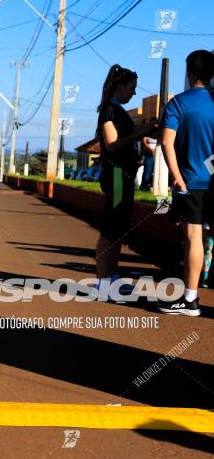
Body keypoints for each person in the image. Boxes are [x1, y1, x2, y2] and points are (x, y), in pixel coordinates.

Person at [95, 65, 157, 301]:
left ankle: (111, 276)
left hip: (124, 174)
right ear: (120, 86)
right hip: (117, 174)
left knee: (118, 227)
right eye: (131, 88)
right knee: (111, 228)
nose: (133, 93)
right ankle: (102, 280)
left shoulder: (117, 110)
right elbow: (111, 144)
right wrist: (140, 132)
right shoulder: (110, 111)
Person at [160, 49, 214, 316]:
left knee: (194, 238)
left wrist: (177, 176)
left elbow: (166, 143)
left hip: (190, 183)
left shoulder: (178, 103)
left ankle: (190, 300)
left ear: (190, 74)